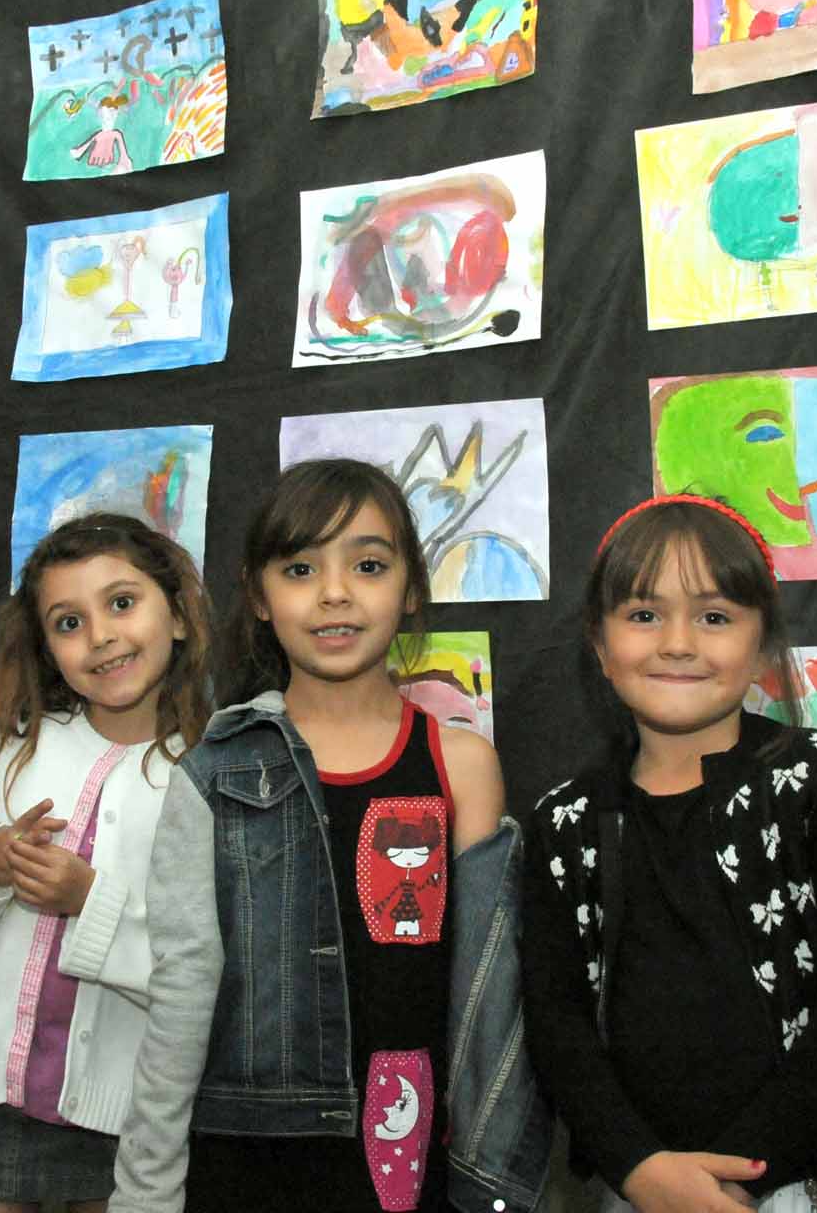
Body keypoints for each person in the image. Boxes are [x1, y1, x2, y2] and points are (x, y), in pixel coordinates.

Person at [168, 458, 552, 1213]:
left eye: (368, 565)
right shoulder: (215, 768)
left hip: (407, 1154)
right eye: (300, 568)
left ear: (411, 588)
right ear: (258, 597)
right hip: (241, 1151)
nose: (335, 592)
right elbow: (180, 985)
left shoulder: (460, 763)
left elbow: (484, 997)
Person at [519, 494, 817, 1213]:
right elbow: (558, 1025)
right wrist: (639, 1169)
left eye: (714, 617)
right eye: (644, 615)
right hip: (646, 1189)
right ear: (600, 645)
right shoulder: (564, 823)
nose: (678, 643)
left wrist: (737, 1175)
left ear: (762, 646)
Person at [0, 513, 219, 1213]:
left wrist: (91, 899)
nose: (101, 636)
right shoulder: (6, 750)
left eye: (122, 603)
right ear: (46, 648)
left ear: (177, 616)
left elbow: (200, 961)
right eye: (68, 622)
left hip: (130, 1104)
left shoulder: (207, 776)